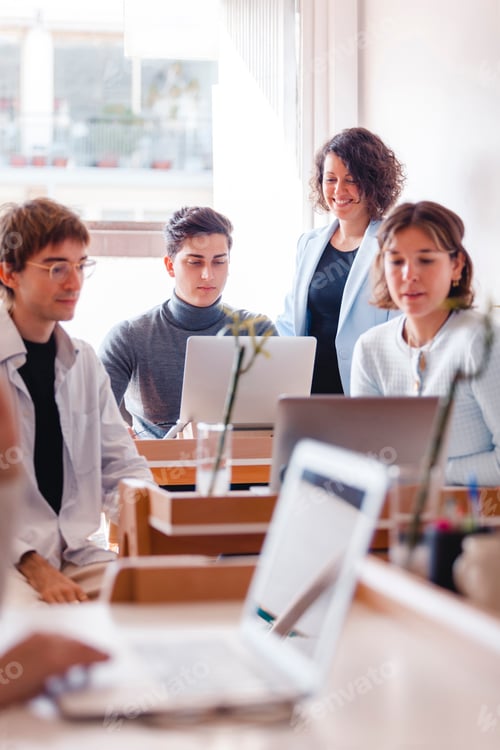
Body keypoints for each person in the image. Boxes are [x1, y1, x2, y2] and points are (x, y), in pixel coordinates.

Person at [0, 197, 153, 606]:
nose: (74, 283)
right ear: (8, 273)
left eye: (81, 265)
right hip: (10, 563)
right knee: (41, 634)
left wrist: (158, 524)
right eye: (56, 268)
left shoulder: (84, 362)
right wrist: (34, 566)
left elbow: (120, 465)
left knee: (158, 601)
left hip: (77, 555)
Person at [350, 200, 500, 486]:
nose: (409, 275)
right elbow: (368, 460)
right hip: (395, 516)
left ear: (456, 265)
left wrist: (428, 474)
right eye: (396, 261)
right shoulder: (370, 348)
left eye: (426, 260)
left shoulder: (482, 341)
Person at [99, 206, 277, 438]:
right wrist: (116, 431)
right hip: (155, 469)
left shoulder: (257, 331)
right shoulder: (129, 336)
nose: (208, 275)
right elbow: (94, 416)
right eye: (195, 262)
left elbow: (278, 420)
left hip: (242, 467)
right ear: (170, 266)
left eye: (219, 262)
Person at [0, 376, 109, 708]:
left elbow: (120, 461)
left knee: (145, 604)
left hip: (71, 548)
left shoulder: (81, 364)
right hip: (20, 563)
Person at [276, 127, 405, 394]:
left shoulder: (394, 245)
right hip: (308, 391)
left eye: (351, 179)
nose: (339, 190)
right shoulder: (309, 244)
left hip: (365, 391)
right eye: (330, 179)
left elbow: (399, 332)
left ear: (373, 181)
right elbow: (290, 324)